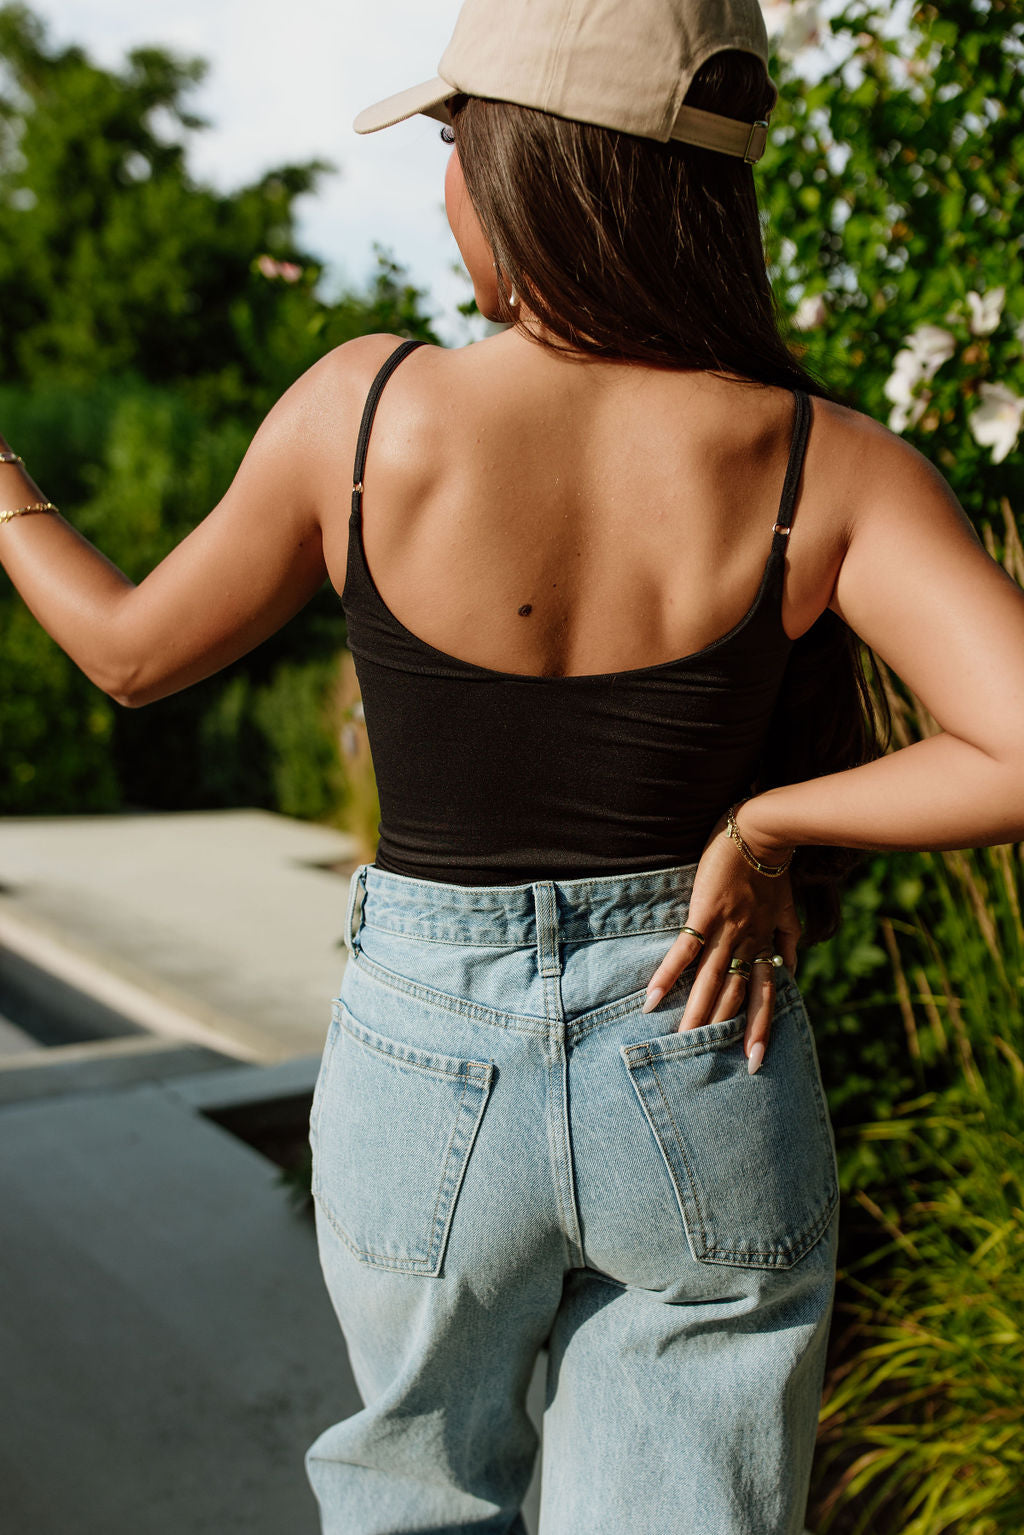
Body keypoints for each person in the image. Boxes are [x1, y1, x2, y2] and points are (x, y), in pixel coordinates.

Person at [2, 0, 1023, 1529]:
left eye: (453, 144)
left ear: (537, 168)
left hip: (423, 1059)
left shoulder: (361, 412)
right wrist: (762, 828)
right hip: (702, 1043)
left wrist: (8, 496)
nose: (440, 188)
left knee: (412, 1490)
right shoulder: (823, 459)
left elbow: (133, 654)